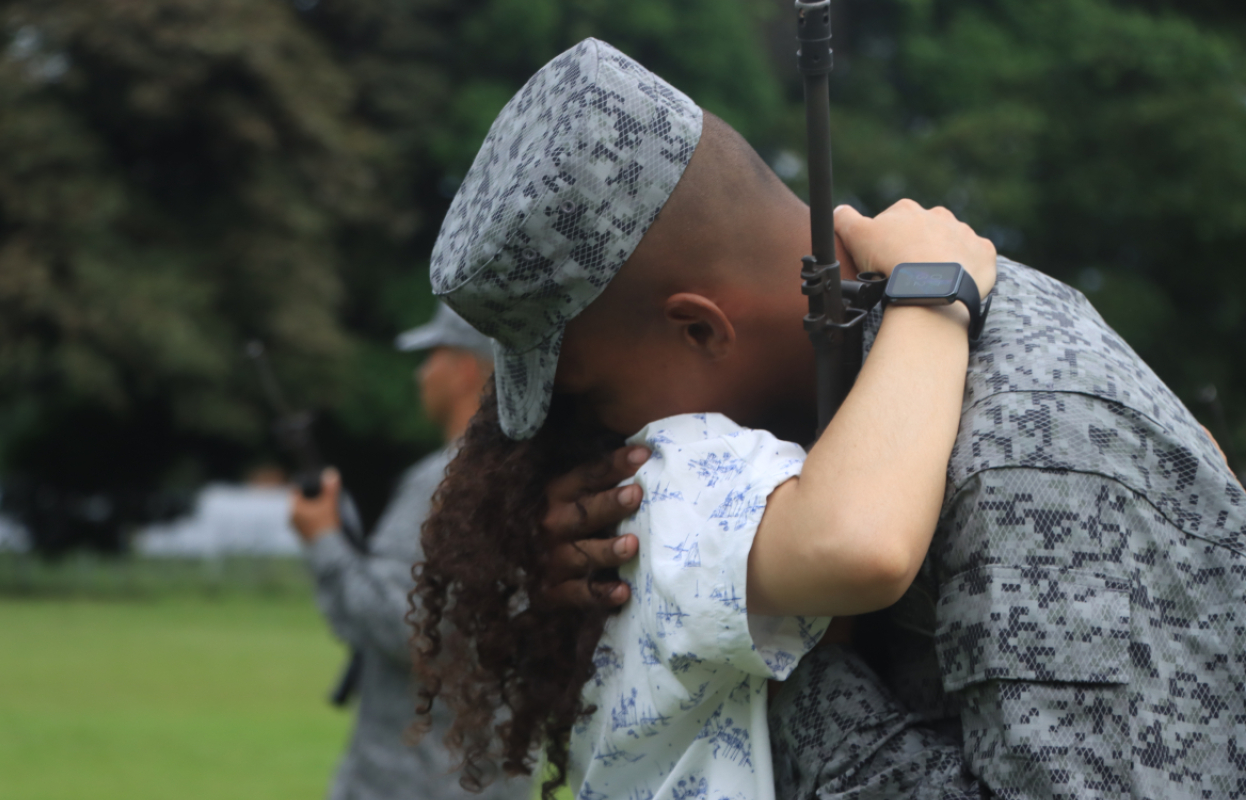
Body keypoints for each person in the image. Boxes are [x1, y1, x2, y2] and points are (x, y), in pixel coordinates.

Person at [418, 37, 1246, 800]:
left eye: (594, 401)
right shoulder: (880, 387)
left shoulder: (1027, 440)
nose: (605, 439)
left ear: (701, 326)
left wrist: (802, 676)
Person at [407, 38, 1001, 799]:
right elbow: (862, 545)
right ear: (696, 328)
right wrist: (931, 298)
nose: (599, 425)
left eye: (582, 394)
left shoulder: (615, 517)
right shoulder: (666, 475)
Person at [290, 303, 529, 800]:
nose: (421, 375)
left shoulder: (441, 485)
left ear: (464, 370)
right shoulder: (528, 477)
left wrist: (325, 540)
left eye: (431, 357)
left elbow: (405, 627)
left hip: (410, 779)